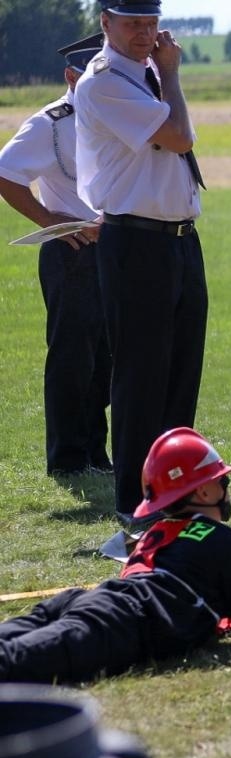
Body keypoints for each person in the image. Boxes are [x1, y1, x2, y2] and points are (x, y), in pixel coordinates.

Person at [0, 428, 231, 685]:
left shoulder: (157, 531)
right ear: (205, 491)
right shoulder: (226, 542)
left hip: (87, 602)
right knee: (12, 666)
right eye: (221, 480)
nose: (226, 488)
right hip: (116, 621)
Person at [73, 0, 208, 523]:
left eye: (150, 21)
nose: (143, 32)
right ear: (105, 23)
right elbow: (178, 137)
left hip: (178, 240)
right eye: (131, 22)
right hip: (136, 243)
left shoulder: (148, 75)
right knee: (140, 380)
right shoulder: (104, 82)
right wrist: (172, 73)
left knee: (180, 374)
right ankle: (138, 507)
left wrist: (164, 73)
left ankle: (180, 493)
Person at [0, 34, 113, 477]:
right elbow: (6, 174)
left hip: (116, 250)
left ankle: (95, 453)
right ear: (72, 76)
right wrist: (49, 221)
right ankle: (67, 459)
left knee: (107, 357)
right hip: (73, 252)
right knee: (73, 358)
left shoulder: (112, 115)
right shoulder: (50, 123)